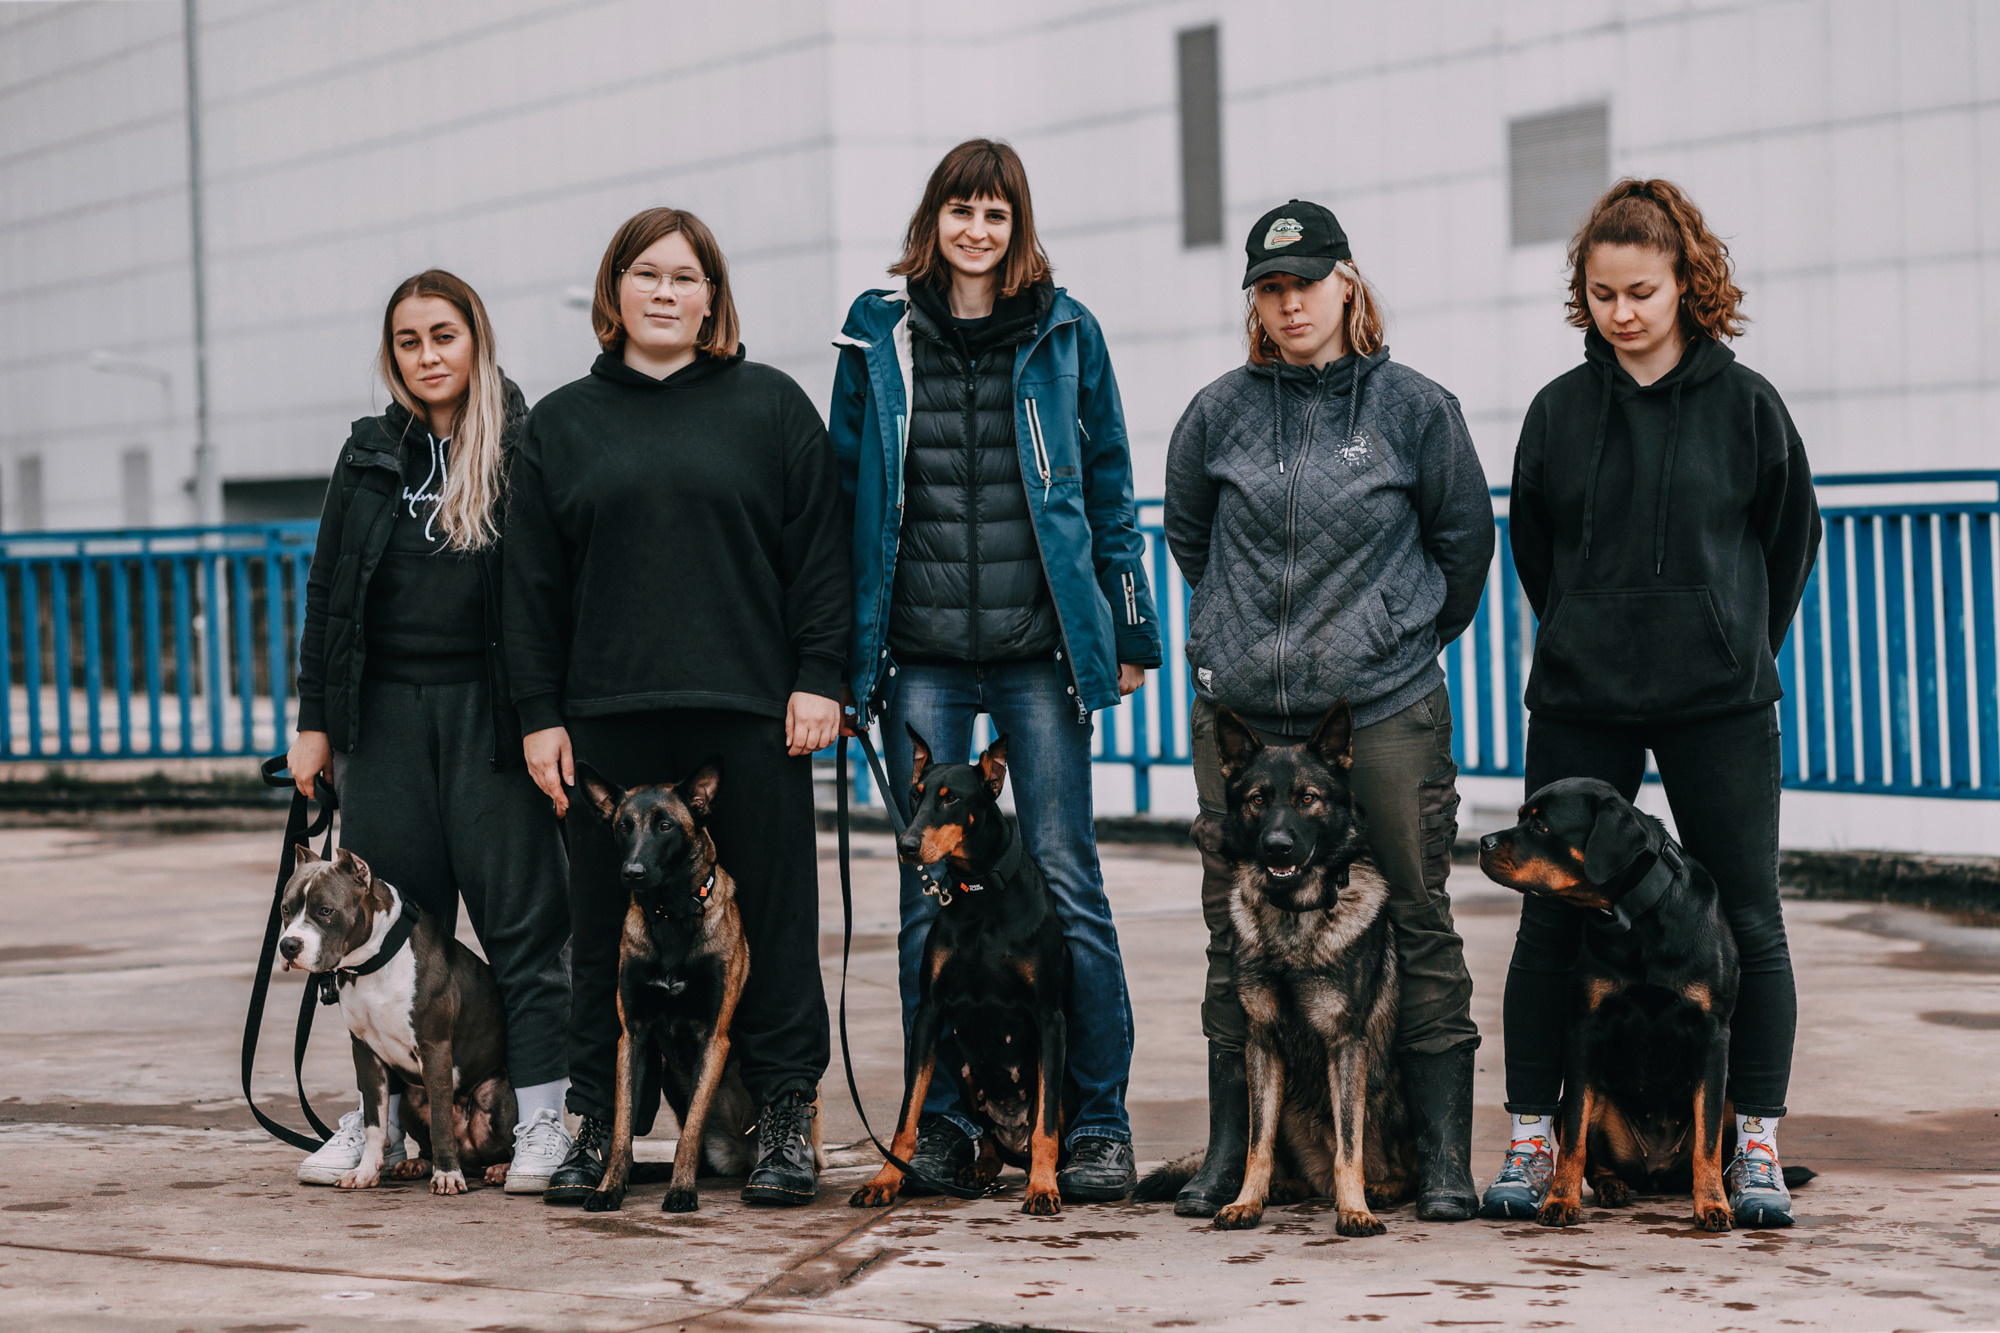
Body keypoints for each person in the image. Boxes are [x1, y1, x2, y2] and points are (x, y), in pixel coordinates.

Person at [831, 139, 1163, 1201]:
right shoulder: (877, 335)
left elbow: (1108, 486)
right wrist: (839, 659)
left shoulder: (1065, 332)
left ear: (1018, 228)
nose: (977, 231)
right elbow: (846, 500)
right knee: (926, 893)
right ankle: (942, 1130)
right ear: (931, 220)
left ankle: (1096, 1124)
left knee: (1067, 878)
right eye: (960, 211)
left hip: (1037, 654)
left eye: (996, 214)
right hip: (918, 655)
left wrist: (1131, 631)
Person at [1485, 179, 1819, 1228]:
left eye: (1639, 291)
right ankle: (1536, 1133)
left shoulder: (1747, 405)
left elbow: (1786, 538)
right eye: (1600, 294)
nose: (1620, 312)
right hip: (1583, 692)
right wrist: (1583, 624)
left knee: (1748, 914)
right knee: (1548, 916)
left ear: (1685, 284)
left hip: (1714, 699)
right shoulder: (1556, 411)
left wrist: (1732, 645)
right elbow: (1533, 543)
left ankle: (1752, 1138)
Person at [506, 207, 849, 1207]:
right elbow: (528, 586)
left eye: (685, 276)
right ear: (614, 293)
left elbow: (818, 557)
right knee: (599, 926)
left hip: (750, 714)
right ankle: (590, 1123)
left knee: (778, 922)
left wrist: (819, 675)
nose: (665, 292)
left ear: (713, 297)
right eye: (645, 274)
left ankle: (786, 1115)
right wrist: (538, 714)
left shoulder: (770, 406)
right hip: (606, 721)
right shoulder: (561, 425)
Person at [1163, 200, 1494, 1221]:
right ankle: (1231, 1153)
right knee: (1235, 932)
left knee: (1416, 914)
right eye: (1268, 286)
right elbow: (1188, 539)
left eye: (1304, 281)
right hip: (1244, 723)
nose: (1288, 301)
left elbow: (1462, 550)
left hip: (1382, 711)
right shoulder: (1215, 412)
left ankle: (1439, 1156)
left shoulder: (1414, 409)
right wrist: (1230, 636)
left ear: (1346, 282)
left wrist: (1392, 636)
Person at [289, 269, 574, 1194]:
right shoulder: (369, 453)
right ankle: (385, 1127)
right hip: (384, 719)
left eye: (443, 335)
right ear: (393, 354)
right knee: (386, 935)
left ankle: (538, 1118)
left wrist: (545, 718)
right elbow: (328, 590)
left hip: (491, 718)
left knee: (527, 929)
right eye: (409, 341)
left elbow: (548, 593)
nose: (427, 355)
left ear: (475, 338)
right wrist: (314, 724)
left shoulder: (523, 443)